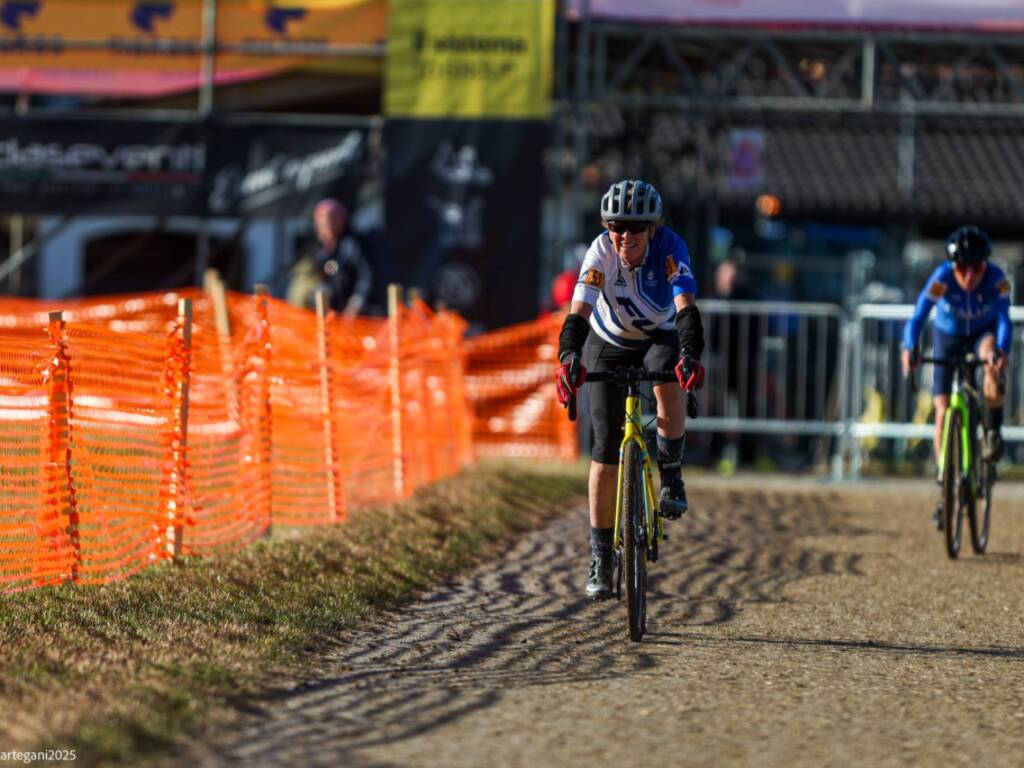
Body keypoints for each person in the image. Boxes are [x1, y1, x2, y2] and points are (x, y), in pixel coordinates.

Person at [554, 179, 706, 600]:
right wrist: (568, 357)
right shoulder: (601, 251)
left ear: (652, 230)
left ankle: (671, 475)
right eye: (617, 226)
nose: (625, 236)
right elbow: (579, 310)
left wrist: (690, 355)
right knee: (604, 448)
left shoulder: (671, 248)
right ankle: (602, 556)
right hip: (608, 341)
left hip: (659, 335)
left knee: (667, 377)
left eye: (635, 228)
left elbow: (686, 309)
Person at [901, 225, 1011, 520]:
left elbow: (1004, 320)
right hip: (947, 338)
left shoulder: (998, 279)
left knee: (990, 360)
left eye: (975, 268)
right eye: (962, 268)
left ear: (983, 265)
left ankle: (992, 432)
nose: (969, 276)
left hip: (981, 335)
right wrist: (909, 347)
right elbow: (918, 316)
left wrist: (1001, 351)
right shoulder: (942, 278)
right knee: (942, 408)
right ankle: (945, 481)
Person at [287, 198, 372, 317]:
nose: (326, 227)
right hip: (331, 313)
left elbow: (365, 277)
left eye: (331, 221)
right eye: (321, 223)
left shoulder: (351, 246)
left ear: (340, 222)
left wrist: (357, 302)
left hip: (355, 315)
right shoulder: (318, 251)